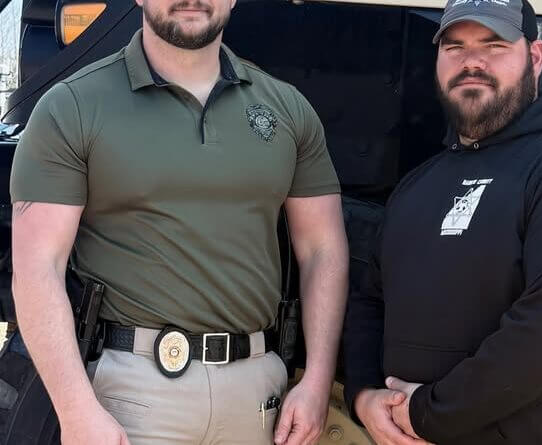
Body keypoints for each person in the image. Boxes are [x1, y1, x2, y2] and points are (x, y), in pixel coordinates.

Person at [9, 0, 349, 442]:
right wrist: (75, 409)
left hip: (257, 394)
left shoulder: (289, 109)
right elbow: (37, 268)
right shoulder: (71, 107)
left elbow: (323, 249)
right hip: (130, 395)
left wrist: (318, 379)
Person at [342, 0, 542, 444]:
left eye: (494, 45)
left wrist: (428, 413)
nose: (472, 62)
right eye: (455, 47)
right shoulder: (417, 186)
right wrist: (364, 394)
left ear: (535, 57)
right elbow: (370, 300)